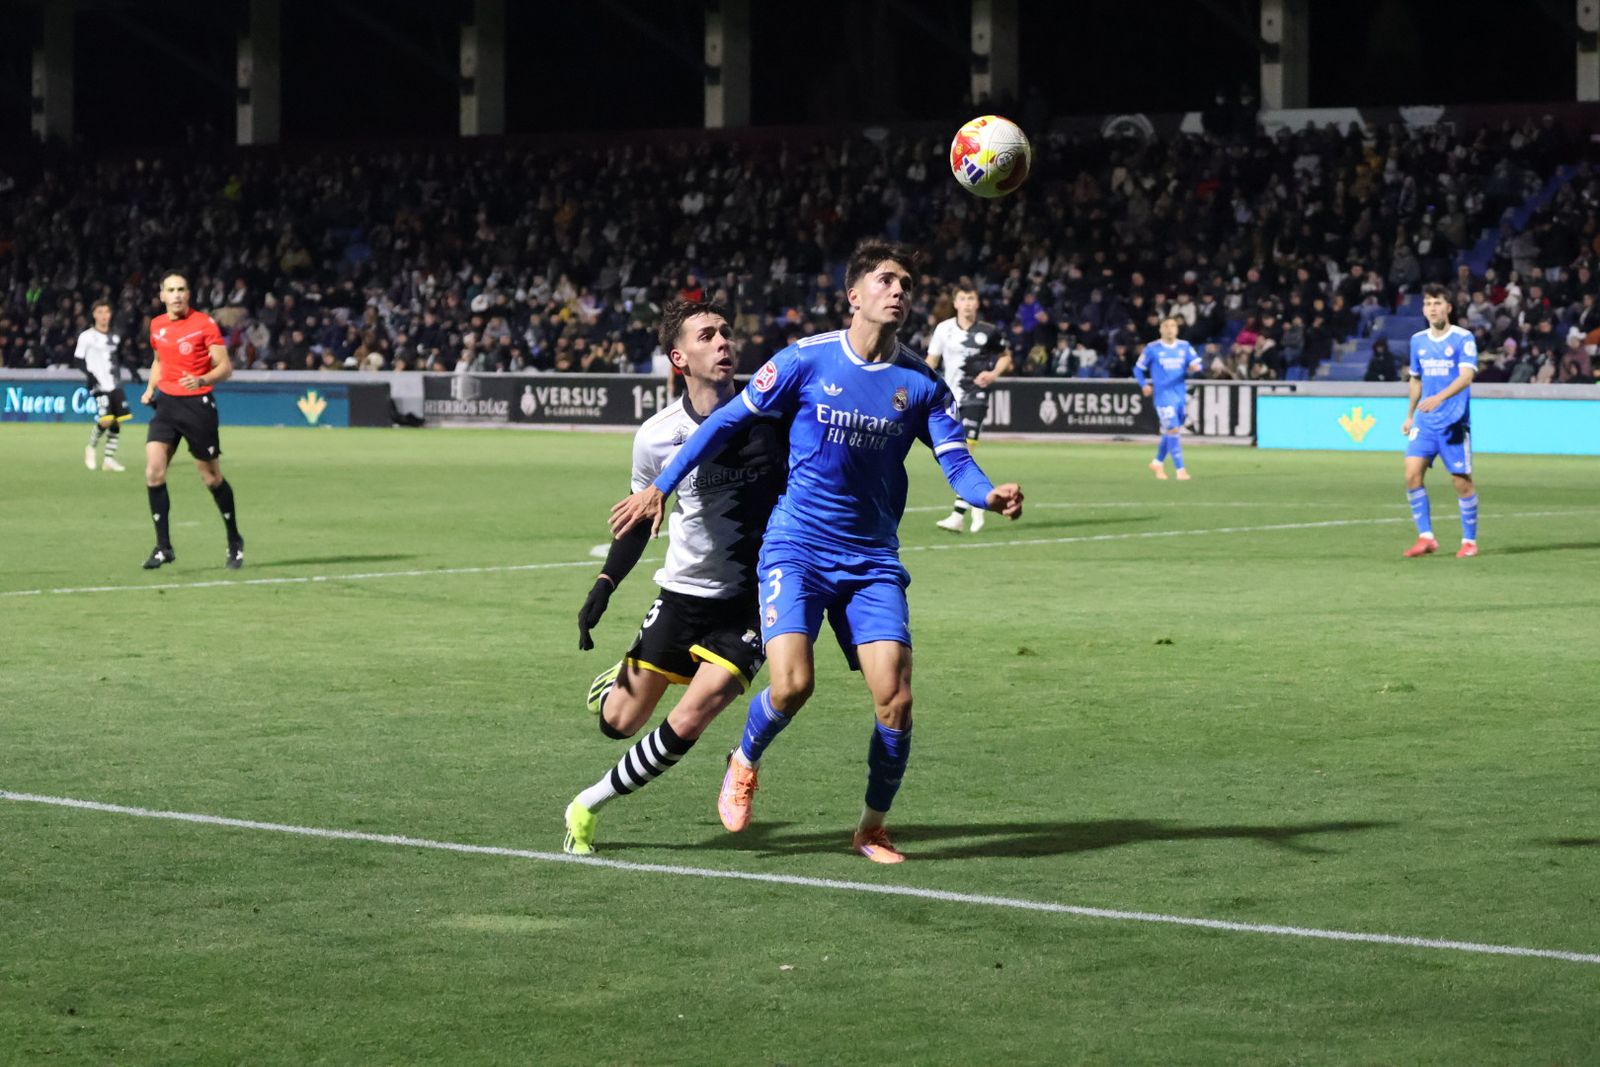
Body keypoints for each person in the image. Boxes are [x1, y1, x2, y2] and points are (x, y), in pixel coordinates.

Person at [609, 240, 1024, 864]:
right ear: (854, 296)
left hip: (872, 560)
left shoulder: (923, 384)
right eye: (886, 280)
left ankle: (871, 827)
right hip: (796, 548)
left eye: (905, 283)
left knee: (897, 697)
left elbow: (956, 464)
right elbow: (723, 423)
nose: (899, 291)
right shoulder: (804, 361)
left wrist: (989, 495)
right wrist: (662, 488)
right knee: (793, 684)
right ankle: (744, 758)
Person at [562, 300, 785, 855]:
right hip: (683, 594)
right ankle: (617, 681)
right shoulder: (657, 435)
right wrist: (605, 585)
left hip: (754, 601)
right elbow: (641, 517)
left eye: (726, 332)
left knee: (694, 714)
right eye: (707, 335)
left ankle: (587, 804)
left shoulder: (772, 417)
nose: (723, 342)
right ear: (679, 357)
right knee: (618, 722)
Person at [141, 271, 245, 570]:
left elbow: (225, 368)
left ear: (189, 294)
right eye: (170, 290)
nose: (176, 295)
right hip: (166, 406)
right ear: (162, 295)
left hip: (197, 406)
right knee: (153, 472)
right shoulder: (157, 325)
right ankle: (163, 548)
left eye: (181, 289)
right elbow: (159, 360)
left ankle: (234, 540)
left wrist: (201, 379)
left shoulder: (204, 324)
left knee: (211, 478)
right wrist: (150, 389)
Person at [926, 284, 1013, 533]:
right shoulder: (944, 330)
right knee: (953, 453)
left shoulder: (989, 332)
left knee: (965, 452)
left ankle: (958, 514)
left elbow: (1006, 356)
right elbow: (932, 361)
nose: (967, 303)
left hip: (976, 397)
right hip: (949, 398)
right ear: (955, 303)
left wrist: (993, 373)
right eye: (962, 298)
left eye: (971, 298)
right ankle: (978, 500)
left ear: (977, 303)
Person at [1401, 283, 1479, 559]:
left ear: (1449, 308)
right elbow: (1415, 379)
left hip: (1453, 422)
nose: (1432, 308)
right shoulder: (1418, 341)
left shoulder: (1463, 338)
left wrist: (1440, 398)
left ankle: (1469, 541)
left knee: (1461, 481)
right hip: (1424, 421)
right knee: (1411, 474)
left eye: (1437, 303)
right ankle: (1426, 537)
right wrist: (1410, 415)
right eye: (1428, 304)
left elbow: (1466, 376)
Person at [1134, 314, 1203, 480]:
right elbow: (1137, 369)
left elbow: (1198, 364)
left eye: (1172, 326)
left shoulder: (1185, 347)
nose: (1169, 329)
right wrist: (1144, 384)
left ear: (1177, 329)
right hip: (1163, 396)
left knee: (1173, 430)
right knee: (1172, 429)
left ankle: (1157, 462)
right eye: (1166, 326)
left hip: (1179, 395)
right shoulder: (1152, 348)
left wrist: (1196, 367)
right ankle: (1180, 470)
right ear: (1160, 329)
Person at [76, 300, 129, 472]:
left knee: (118, 422)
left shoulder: (114, 336)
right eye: (100, 312)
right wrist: (90, 375)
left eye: (106, 312)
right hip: (98, 384)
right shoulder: (86, 336)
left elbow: (119, 356)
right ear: (94, 314)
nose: (104, 316)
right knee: (106, 419)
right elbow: (78, 359)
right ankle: (90, 448)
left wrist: (133, 370)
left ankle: (108, 459)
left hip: (115, 383)